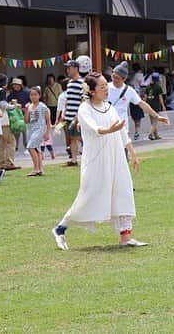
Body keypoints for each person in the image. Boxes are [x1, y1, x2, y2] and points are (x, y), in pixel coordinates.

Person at [51, 72, 146, 250]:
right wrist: (109, 129)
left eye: (106, 86)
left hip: (116, 157)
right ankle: (60, 228)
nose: (106, 89)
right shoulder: (84, 109)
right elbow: (96, 129)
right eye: (102, 87)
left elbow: (122, 132)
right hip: (96, 160)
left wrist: (133, 153)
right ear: (92, 91)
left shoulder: (109, 107)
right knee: (90, 195)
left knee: (123, 191)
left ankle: (126, 236)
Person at [108, 62, 167, 142]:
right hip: (107, 125)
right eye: (113, 76)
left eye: (117, 78)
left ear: (124, 79)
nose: (114, 80)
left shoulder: (129, 90)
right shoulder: (105, 87)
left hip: (122, 127)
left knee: (123, 151)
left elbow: (142, 104)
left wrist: (157, 116)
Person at [25, 86, 51, 176]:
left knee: (30, 147)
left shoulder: (43, 107)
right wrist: (26, 110)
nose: (33, 97)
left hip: (40, 129)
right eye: (31, 95)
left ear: (39, 96)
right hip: (32, 129)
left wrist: (47, 133)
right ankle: (40, 169)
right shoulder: (29, 106)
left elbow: (48, 121)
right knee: (37, 148)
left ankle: (36, 169)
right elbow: (27, 120)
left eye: (35, 95)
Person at [63, 59, 85, 167]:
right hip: (68, 115)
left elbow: (83, 100)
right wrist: (64, 112)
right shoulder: (69, 83)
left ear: (76, 69)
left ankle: (85, 157)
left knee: (80, 137)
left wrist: (78, 116)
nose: (67, 70)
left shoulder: (82, 82)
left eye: (69, 68)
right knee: (72, 138)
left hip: (77, 116)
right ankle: (74, 159)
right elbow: (68, 99)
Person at [6, 78, 30, 151]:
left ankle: (28, 147)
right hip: (16, 116)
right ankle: (15, 147)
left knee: (25, 132)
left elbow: (30, 102)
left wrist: (26, 106)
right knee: (16, 131)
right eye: (14, 85)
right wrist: (12, 104)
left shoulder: (27, 92)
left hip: (25, 114)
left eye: (17, 85)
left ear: (20, 85)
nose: (15, 86)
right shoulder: (12, 94)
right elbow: (7, 102)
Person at [145, 71, 166, 140]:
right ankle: (150, 134)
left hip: (149, 105)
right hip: (156, 105)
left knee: (152, 121)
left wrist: (144, 105)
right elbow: (160, 98)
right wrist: (163, 106)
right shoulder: (158, 87)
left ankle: (156, 135)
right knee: (155, 121)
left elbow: (145, 97)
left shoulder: (147, 87)